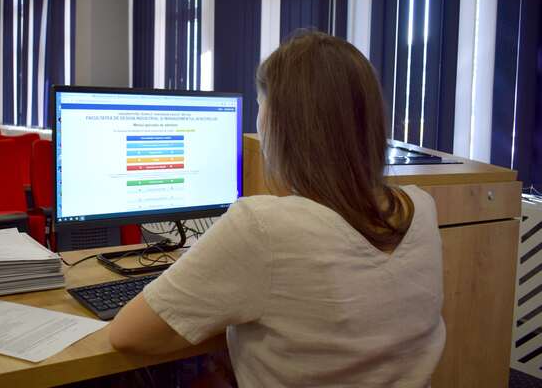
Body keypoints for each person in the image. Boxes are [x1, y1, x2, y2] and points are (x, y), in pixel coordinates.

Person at [109, 31, 445, 387]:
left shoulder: (262, 227)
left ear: (281, 123)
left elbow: (128, 334)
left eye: (260, 104)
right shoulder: (422, 207)